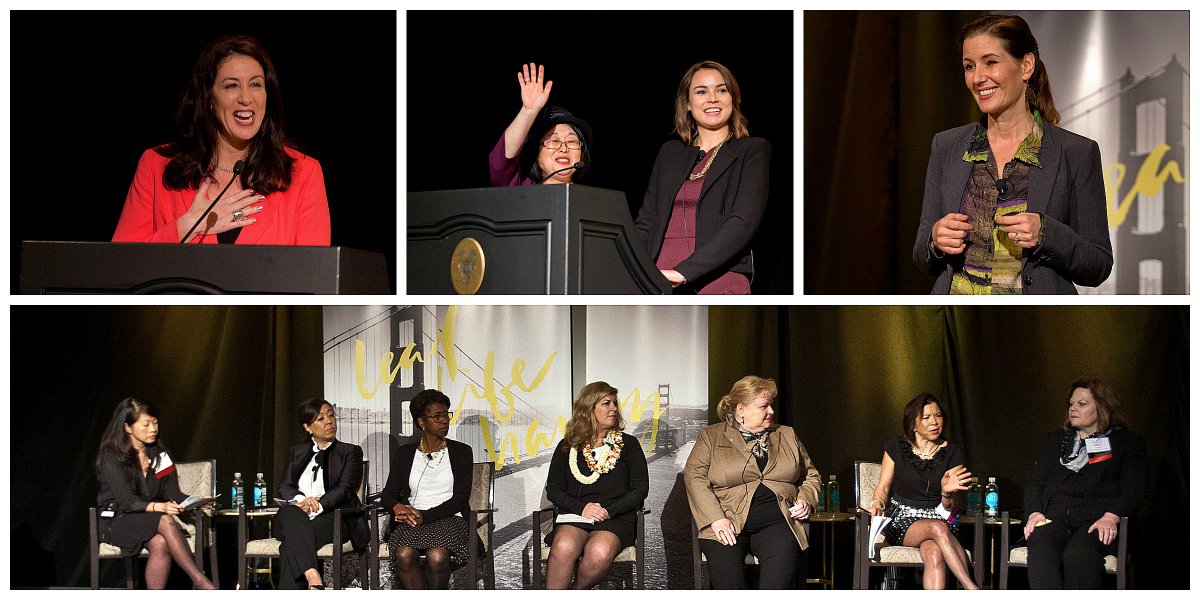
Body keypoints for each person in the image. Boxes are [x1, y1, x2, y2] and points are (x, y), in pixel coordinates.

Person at [913, 14, 1112, 294]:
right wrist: (935, 241)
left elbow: (1099, 265)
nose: (978, 78)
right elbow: (921, 256)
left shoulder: (1077, 152)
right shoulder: (946, 146)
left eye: (991, 62)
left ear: (1026, 66)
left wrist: (1047, 234)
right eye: (969, 66)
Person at [113, 34, 330, 245]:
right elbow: (121, 263)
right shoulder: (156, 166)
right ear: (208, 98)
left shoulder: (304, 173)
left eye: (255, 84)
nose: (246, 98)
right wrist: (188, 225)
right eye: (231, 86)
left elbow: (313, 269)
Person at [634, 60, 770, 295]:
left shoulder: (752, 150)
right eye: (701, 92)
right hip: (658, 281)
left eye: (721, 90)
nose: (712, 99)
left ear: (733, 98)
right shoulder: (670, 153)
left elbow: (743, 222)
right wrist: (632, 269)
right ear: (687, 103)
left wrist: (684, 272)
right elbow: (646, 223)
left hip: (717, 280)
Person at [684, 376, 820, 589]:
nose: (771, 411)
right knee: (730, 584)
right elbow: (694, 478)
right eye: (764, 406)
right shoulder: (711, 436)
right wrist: (715, 518)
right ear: (741, 409)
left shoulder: (786, 434)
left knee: (778, 583)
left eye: (771, 405)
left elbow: (810, 474)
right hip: (728, 522)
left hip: (778, 523)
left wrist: (806, 499)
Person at [1023, 378, 1146, 589]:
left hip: (1095, 522)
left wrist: (1111, 517)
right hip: (1054, 519)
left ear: (1102, 407)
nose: (1073, 409)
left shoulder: (1126, 442)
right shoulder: (1055, 440)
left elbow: (1133, 490)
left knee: (1079, 553)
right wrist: (1034, 513)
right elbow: (1035, 483)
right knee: (1041, 543)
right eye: (1071, 404)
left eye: (1082, 404)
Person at [94, 398, 217, 589]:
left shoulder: (159, 454)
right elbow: (127, 502)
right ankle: (200, 580)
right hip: (116, 520)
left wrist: (196, 502)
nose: (153, 429)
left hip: (146, 519)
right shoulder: (112, 455)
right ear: (128, 427)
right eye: (146, 424)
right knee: (165, 519)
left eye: (155, 423)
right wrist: (161, 507)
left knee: (160, 543)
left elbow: (174, 493)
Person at [866, 393, 979, 589]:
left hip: (941, 518)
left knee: (934, 552)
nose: (934, 422)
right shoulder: (896, 447)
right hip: (903, 519)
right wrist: (878, 503)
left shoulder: (952, 453)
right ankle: (972, 588)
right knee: (937, 527)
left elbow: (951, 508)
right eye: (926, 417)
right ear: (913, 424)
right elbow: (883, 487)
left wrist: (946, 493)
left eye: (938, 415)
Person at [543, 382, 649, 589]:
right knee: (563, 546)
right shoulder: (567, 446)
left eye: (615, 403)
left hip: (615, 518)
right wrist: (582, 508)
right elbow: (554, 489)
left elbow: (640, 489)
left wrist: (609, 511)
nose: (614, 408)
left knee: (598, 552)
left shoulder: (629, 445)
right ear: (589, 408)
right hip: (576, 515)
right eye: (606, 403)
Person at [378, 389, 474, 589]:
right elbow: (388, 494)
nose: (444, 421)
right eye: (437, 416)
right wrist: (397, 507)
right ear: (421, 422)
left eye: (446, 415)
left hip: (450, 518)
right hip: (414, 520)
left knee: (436, 557)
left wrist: (425, 516)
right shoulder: (405, 453)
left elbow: (461, 498)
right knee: (404, 555)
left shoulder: (462, 452)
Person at [274, 398, 368, 589]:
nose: (329, 421)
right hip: (296, 515)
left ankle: (311, 579)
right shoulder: (297, 452)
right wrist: (302, 501)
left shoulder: (350, 452)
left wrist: (317, 504)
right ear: (307, 427)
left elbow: (345, 489)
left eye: (331, 415)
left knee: (290, 545)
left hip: (334, 517)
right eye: (321, 418)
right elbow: (284, 487)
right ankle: (313, 576)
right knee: (291, 513)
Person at [489, 62, 592, 186]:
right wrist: (528, 112)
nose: (564, 149)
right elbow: (501, 165)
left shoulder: (594, 197)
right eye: (554, 141)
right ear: (536, 153)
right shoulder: (523, 189)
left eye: (571, 141)